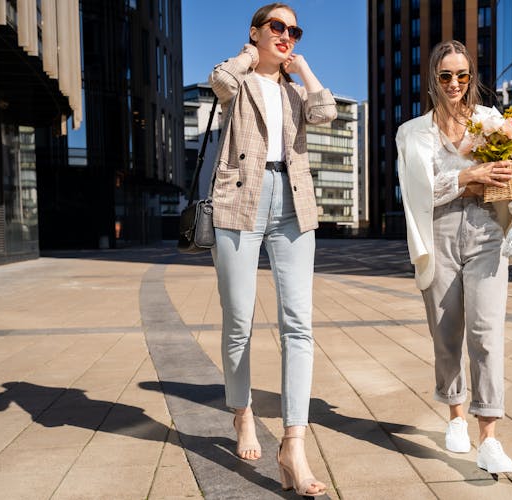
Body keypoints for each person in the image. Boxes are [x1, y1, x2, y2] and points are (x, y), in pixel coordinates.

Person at [395, 40, 512, 474]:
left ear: (471, 77)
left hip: (487, 230)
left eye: (462, 75)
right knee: (446, 333)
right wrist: (469, 174)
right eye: (446, 75)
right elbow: (415, 194)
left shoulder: (492, 121)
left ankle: (489, 437)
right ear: (433, 76)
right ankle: (455, 414)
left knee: (487, 333)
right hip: (439, 232)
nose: (454, 83)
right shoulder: (412, 132)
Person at [208, 3, 336, 496]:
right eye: (277, 28)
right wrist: (248, 54)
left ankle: (293, 444)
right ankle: (242, 414)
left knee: (298, 323)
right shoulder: (238, 80)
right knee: (239, 320)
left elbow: (325, 111)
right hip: (241, 198)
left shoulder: (294, 89)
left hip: (293, 203)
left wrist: (299, 66)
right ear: (257, 32)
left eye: (294, 30)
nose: (287, 35)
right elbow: (219, 81)